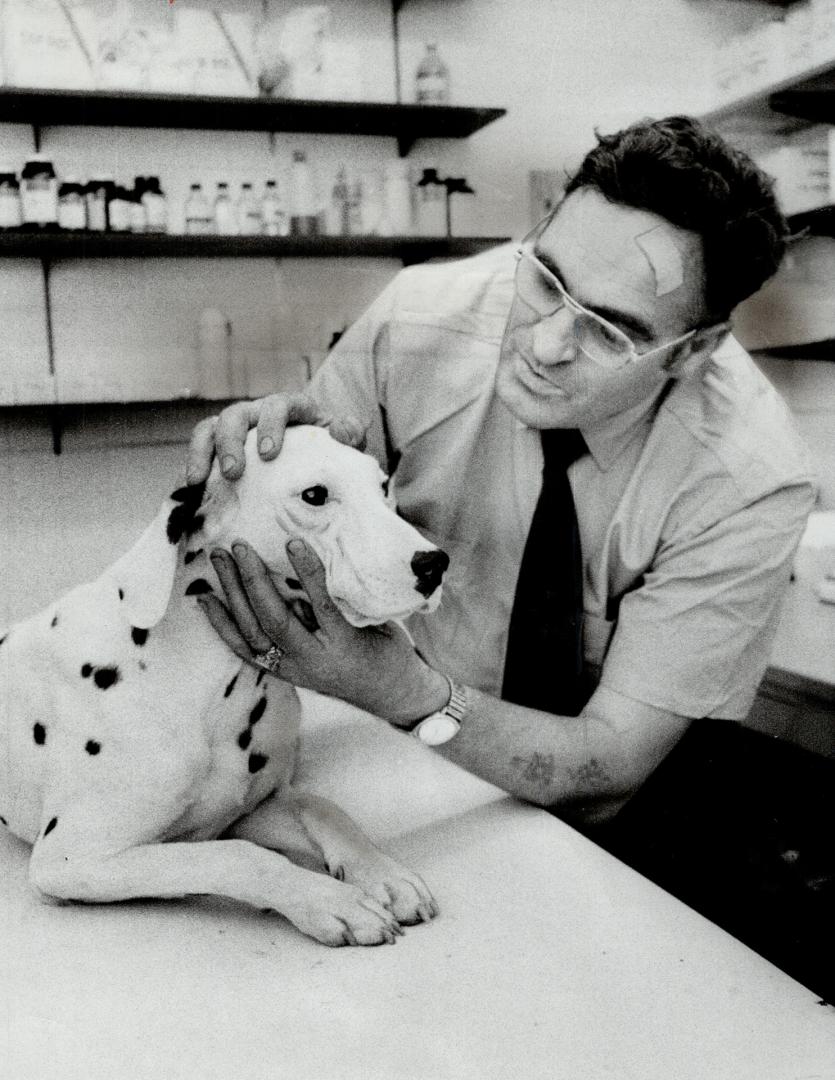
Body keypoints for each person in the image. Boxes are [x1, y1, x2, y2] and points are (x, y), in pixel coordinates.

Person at [187, 116, 833, 994]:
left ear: (696, 350)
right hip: (399, 768)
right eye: (545, 278)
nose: (544, 341)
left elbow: (608, 769)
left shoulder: (745, 478)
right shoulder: (415, 324)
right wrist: (251, 475)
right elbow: (293, 530)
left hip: (617, 809)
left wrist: (407, 693)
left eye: (610, 329)